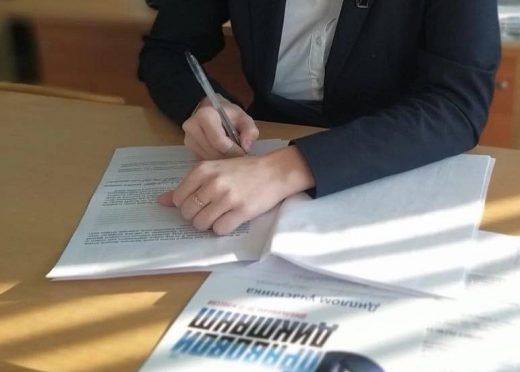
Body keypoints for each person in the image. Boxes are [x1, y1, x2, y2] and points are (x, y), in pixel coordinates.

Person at [139, 0, 500, 235]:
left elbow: (457, 105)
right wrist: (202, 102)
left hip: (392, 156)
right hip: (259, 147)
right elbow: (168, 51)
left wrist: (283, 170)